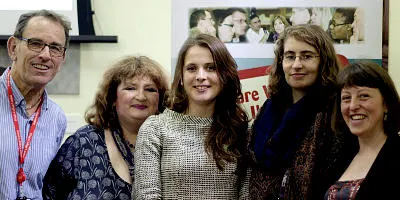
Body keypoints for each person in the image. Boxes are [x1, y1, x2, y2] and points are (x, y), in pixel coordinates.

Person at [134, 33, 250, 199]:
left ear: (224, 75)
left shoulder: (243, 132)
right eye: (191, 68)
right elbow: (146, 195)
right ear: (181, 77)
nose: (201, 76)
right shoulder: (155, 129)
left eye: (211, 68)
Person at [42, 56, 169, 199]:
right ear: (113, 98)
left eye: (150, 89)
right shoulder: (84, 142)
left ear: (161, 99)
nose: (140, 96)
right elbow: (49, 193)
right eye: (130, 88)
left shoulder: (171, 145)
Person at [248, 24, 347, 199]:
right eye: (290, 56)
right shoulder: (269, 107)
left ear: (323, 61)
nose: (296, 65)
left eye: (307, 56)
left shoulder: (334, 111)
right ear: (281, 61)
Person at [0, 10, 70, 200]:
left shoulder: (56, 118)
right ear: (13, 47)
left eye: (55, 48)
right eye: (36, 43)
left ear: (62, 58)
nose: (46, 55)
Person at [325, 62, 400, 199]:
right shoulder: (339, 155)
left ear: (386, 104)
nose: (353, 106)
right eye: (346, 98)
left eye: (364, 96)